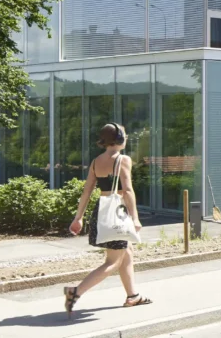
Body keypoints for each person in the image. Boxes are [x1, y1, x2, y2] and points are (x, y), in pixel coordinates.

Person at [64, 124, 151, 315]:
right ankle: (75, 292)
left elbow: (87, 191)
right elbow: (127, 190)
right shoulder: (123, 160)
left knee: (126, 251)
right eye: (125, 135)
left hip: (102, 211)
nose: (127, 138)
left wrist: (78, 218)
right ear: (119, 138)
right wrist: (135, 218)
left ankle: (132, 296)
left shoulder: (96, 161)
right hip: (117, 212)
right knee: (112, 261)